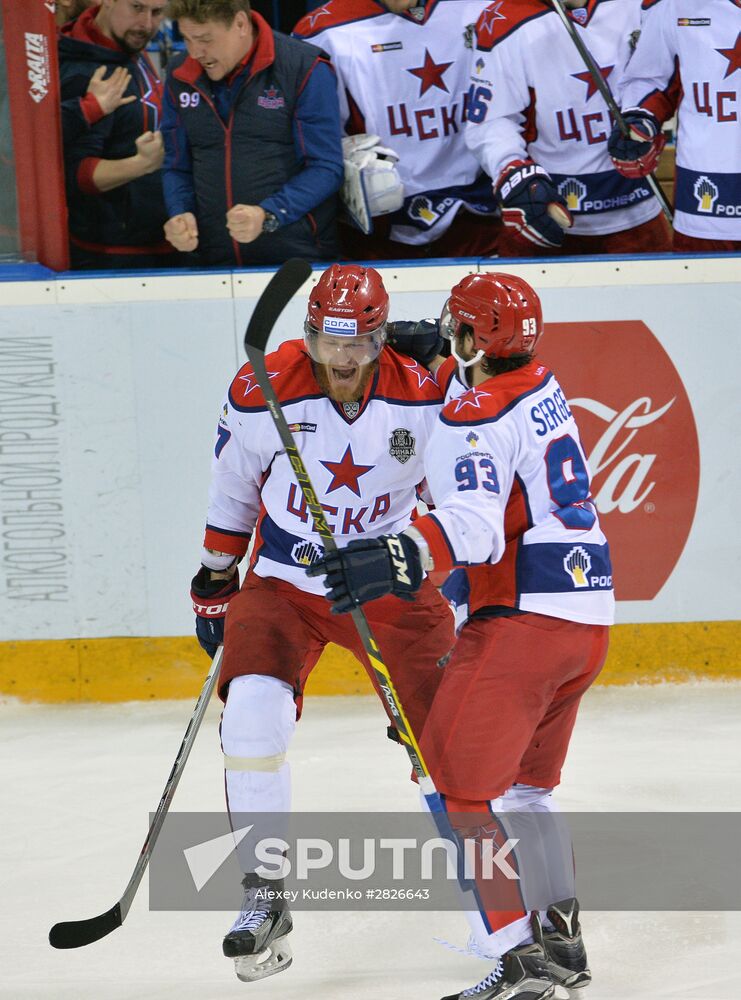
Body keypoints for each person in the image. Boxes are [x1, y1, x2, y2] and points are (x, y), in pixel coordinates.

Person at [309, 272, 614, 999]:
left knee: (458, 789)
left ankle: (518, 962)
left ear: (477, 339)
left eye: (458, 327)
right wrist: (449, 357)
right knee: (525, 792)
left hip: (522, 623)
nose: (446, 333)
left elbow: (473, 526)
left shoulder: (470, 415)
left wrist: (393, 554)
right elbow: (494, 409)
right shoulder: (542, 384)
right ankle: (561, 946)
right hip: (587, 621)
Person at [190, 263, 455, 981]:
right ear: (307, 333)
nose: (341, 359)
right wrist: (216, 578)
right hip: (283, 579)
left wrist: (437, 572)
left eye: (358, 344)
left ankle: (495, 898)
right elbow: (233, 486)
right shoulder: (259, 388)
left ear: (381, 338)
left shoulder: (427, 392)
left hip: (387, 582)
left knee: (447, 743)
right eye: (325, 341)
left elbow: (461, 497)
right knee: (249, 718)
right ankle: (263, 895)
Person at [293, 0, 501, 260]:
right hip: (379, 229)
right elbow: (312, 144)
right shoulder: (322, 31)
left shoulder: (486, 9)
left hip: (480, 219)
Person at [464, 0, 672, 257]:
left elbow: (666, 82)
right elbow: (491, 119)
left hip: (637, 214)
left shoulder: (640, 5)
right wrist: (513, 172)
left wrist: (649, 123)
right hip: (545, 216)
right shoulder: (501, 18)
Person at [162, 0, 344, 267]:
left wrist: (269, 213)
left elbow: (326, 167)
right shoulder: (180, 74)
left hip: (298, 261)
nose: (194, 51)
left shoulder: (304, 68)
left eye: (204, 39)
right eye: (186, 39)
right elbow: (176, 166)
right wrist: (180, 213)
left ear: (240, 24)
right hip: (213, 263)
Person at [609, 0, 741, 253]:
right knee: (704, 289)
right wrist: (641, 117)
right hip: (707, 191)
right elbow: (651, 78)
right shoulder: (673, 5)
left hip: (706, 192)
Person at [58, 0, 175, 270]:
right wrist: (141, 165)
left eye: (157, 13)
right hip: (113, 256)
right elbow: (74, 173)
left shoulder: (126, 44)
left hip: (159, 241)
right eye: (137, 7)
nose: (146, 24)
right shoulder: (87, 70)